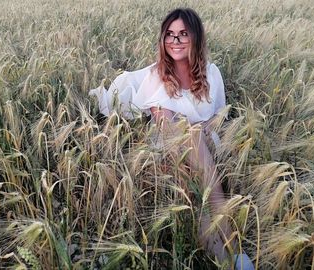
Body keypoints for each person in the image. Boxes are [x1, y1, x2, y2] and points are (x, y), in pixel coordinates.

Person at [90, 8, 255, 270]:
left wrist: (199, 129)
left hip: (205, 140)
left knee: (201, 168)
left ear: (196, 38)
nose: (175, 41)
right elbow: (165, 123)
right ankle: (230, 256)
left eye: (183, 34)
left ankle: (230, 252)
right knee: (194, 187)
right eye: (169, 35)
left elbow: (218, 117)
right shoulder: (159, 74)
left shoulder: (212, 73)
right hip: (171, 144)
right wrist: (194, 130)